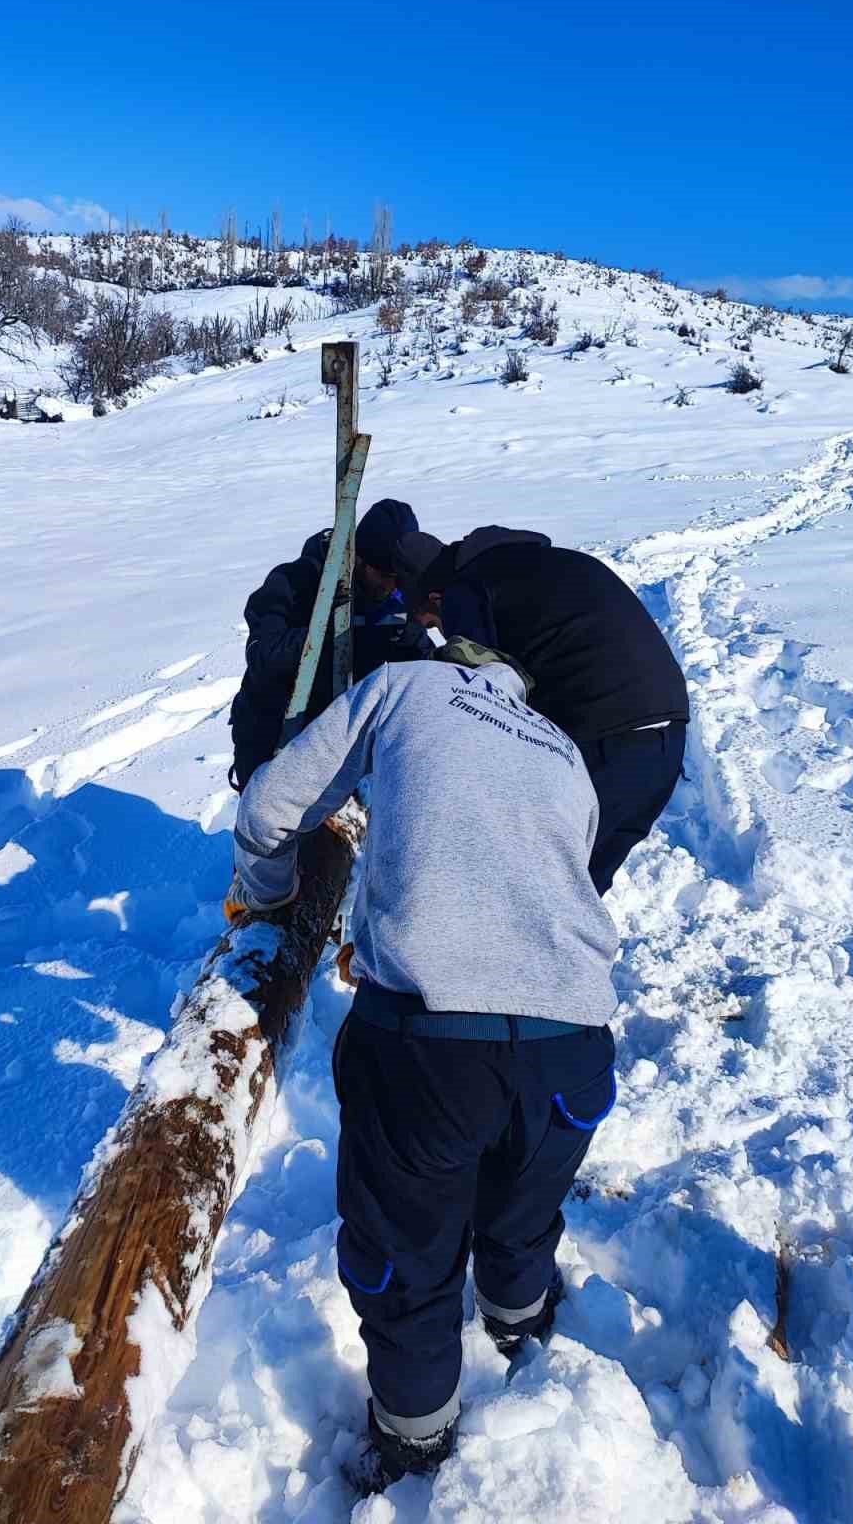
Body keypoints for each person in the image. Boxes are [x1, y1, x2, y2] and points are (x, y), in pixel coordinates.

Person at [227, 638, 619, 1491]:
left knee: (406, 1256)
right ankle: (524, 1326)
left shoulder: (406, 686)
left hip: (430, 1046)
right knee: (521, 1211)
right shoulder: (563, 751)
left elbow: (271, 805)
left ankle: (413, 1447)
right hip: (576, 1047)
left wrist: (269, 897)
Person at [393, 526, 689, 894]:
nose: (438, 629)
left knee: (531, 892)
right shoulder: (551, 562)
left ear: (433, 595)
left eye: (433, 623)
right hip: (667, 736)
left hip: (600, 739)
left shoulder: (466, 588)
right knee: (578, 894)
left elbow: (481, 695)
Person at [228, 498, 432, 790]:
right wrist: (334, 630)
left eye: (399, 578)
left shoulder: (396, 599)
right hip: (277, 736)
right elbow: (264, 654)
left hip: (344, 743)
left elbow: (418, 656)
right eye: (384, 575)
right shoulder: (296, 582)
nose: (391, 587)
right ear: (358, 558)